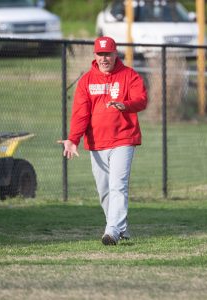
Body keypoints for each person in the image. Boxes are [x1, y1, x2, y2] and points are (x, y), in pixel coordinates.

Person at [58, 36, 148, 246]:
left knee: (118, 185)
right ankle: (120, 227)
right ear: (95, 55)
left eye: (108, 53)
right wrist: (73, 139)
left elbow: (141, 100)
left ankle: (112, 231)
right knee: (104, 190)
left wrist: (125, 105)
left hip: (123, 139)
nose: (104, 58)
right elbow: (81, 114)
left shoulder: (129, 76)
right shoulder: (87, 81)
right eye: (100, 54)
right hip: (97, 142)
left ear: (115, 53)